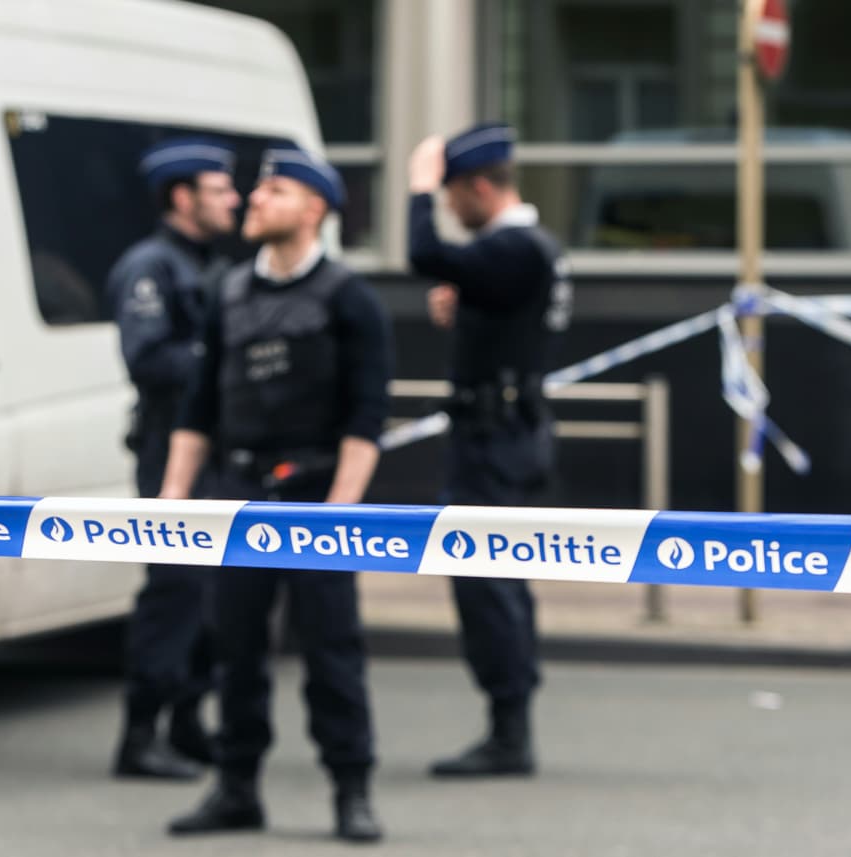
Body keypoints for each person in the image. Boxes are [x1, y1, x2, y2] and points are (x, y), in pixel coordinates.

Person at [159, 144, 391, 843]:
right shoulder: (229, 291)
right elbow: (198, 408)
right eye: (257, 191)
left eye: (275, 191)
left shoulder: (350, 298)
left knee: (331, 649)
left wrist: (340, 512)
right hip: (240, 492)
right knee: (234, 648)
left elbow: (367, 416)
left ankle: (351, 787)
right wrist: (171, 499)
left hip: (317, 493)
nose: (254, 200)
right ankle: (237, 788)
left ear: (315, 209)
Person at [406, 122, 573, 778]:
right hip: (509, 432)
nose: (447, 208)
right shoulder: (530, 249)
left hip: (493, 439)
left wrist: (417, 188)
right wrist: (466, 303)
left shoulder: (514, 247)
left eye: (451, 194)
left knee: (486, 579)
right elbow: (499, 308)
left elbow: (424, 253)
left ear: (479, 187)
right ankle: (510, 721)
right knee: (501, 577)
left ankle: (509, 729)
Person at [106, 137, 241, 780]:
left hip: (222, 449)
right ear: (183, 198)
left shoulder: (213, 265)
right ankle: (140, 734)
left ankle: (188, 721)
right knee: (176, 590)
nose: (234, 199)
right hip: (170, 450)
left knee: (215, 596)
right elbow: (149, 359)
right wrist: (225, 363)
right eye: (220, 190)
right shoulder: (150, 267)